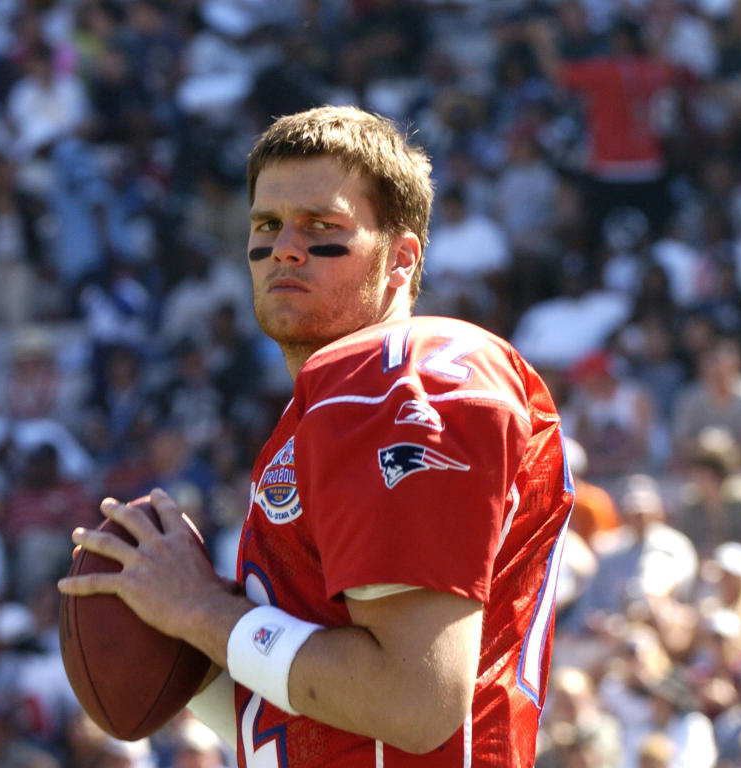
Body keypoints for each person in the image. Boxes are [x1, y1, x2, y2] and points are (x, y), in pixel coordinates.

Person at [59, 105, 575, 766]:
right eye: (267, 225)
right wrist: (187, 646)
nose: (285, 247)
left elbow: (413, 704)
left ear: (400, 258)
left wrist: (199, 613)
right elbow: (313, 719)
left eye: (321, 225)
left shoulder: (400, 379)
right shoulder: (324, 403)